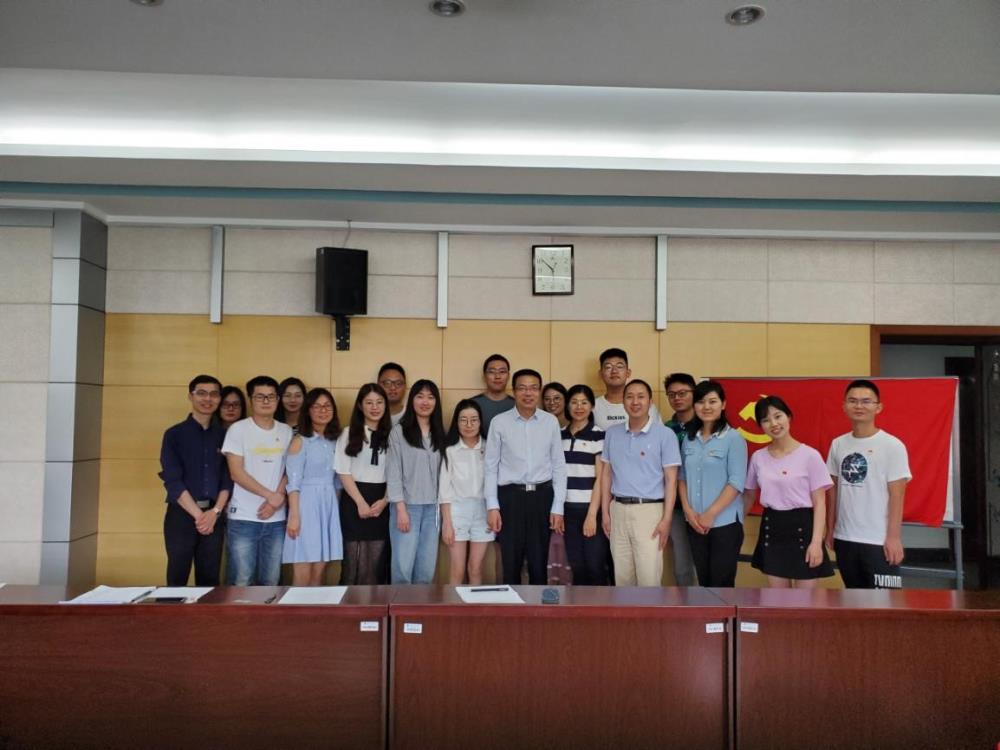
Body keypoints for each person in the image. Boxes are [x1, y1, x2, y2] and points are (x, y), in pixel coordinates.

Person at [826, 379, 911, 589]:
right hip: (845, 538)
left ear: (878, 407)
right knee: (854, 599)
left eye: (866, 401)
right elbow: (832, 491)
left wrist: (893, 538)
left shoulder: (893, 445)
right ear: (844, 406)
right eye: (853, 401)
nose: (859, 406)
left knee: (886, 601)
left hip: (878, 541)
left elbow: (898, 495)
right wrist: (830, 529)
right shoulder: (838, 444)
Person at [484, 368, 567, 585]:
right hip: (510, 498)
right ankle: (510, 606)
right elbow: (490, 467)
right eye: (522, 388)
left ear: (539, 391)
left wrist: (558, 506)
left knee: (539, 564)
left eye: (533, 388)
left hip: (542, 497)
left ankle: (538, 606)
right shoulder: (499, 422)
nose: (528, 393)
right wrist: (492, 506)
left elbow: (559, 466)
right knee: (510, 562)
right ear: (514, 391)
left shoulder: (550, 422)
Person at [745, 395, 834, 588]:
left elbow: (820, 503)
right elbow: (749, 495)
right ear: (760, 426)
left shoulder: (810, 455)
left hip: (804, 528)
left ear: (789, 417)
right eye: (766, 420)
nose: (774, 424)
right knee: (778, 599)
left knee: (805, 601)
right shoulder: (758, 457)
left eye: (778, 416)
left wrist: (816, 542)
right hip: (772, 528)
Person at [599, 379, 680, 586]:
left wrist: (667, 519)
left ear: (650, 402)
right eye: (630, 397)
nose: (635, 402)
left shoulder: (665, 435)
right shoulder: (612, 433)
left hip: (650, 512)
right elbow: (606, 474)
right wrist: (606, 512)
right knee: (622, 577)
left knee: (648, 577)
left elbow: (671, 480)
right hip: (618, 509)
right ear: (623, 401)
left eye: (641, 397)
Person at [158, 375, 232, 586]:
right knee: (177, 577)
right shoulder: (174, 434)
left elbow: (228, 479)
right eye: (201, 393)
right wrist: (200, 516)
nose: (208, 399)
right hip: (181, 515)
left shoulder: (225, 435)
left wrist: (214, 512)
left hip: (214, 515)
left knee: (209, 580)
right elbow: (173, 480)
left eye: (214, 394)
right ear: (190, 396)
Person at [222, 375, 293, 586]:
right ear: (251, 399)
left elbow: (290, 470)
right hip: (243, 518)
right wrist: (270, 496)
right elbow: (236, 472)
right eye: (260, 396)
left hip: (276, 519)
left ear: (277, 400)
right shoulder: (238, 429)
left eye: (271, 396)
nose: (266, 401)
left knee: (271, 581)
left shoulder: (286, 431)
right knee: (241, 580)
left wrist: (276, 499)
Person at [678, 380, 748, 588]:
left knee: (721, 584)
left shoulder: (734, 438)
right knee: (704, 582)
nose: (706, 407)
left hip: (724, 524)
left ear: (723, 404)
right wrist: (688, 511)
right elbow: (682, 477)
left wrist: (710, 514)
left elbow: (736, 483)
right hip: (694, 523)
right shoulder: (689, 439)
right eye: (700, 402)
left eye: (712, 401)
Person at [387, 379, 446, 584]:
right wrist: (400, 509)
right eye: (420, 396)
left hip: (433, 509)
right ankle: (401, 605)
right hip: (407, 507)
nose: (425, 402)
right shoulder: (399, 432)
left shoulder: (440, 433)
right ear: (412, 400)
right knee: (402, 568)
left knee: (426, 569)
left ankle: (420, 605)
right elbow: (393, 473)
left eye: (430, 397)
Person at [283, 388, 344, 586]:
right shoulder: (300, 441)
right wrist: (294, 516)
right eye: (316, 406)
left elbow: (338, 481)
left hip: (329, 504)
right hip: (305, 506)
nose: (322, 410)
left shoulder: (336, 442)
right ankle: (298, 607)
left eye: (327, 406)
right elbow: (293, 482)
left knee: (319, 572)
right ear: (308, 411)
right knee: (303, 569)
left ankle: (315, 607)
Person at [335, 383, 392, 585]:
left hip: (382, 499)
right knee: (353, 565)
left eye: (379, 402)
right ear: (360, 405)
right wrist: (360, 502)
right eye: (369, 402)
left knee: (375, 566)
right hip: (353, 499)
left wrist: (385, 500)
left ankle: (373, 605)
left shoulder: (393, 434)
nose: (374, 407)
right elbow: (343, 471)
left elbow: (397, 473)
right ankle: (349, 605)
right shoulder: (348, 433)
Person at [439, 399, 494, 584]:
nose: (469, 425)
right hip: (457, 512)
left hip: (484, 512)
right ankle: (452, 604)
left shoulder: (490, 447)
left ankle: (473, 604)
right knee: (457, 569)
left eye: (473, 420)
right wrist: (447, 523)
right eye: (463, 420)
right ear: (456, 422)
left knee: (476, 568)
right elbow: (444, 490)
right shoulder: (450, 450)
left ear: (480, 422)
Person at [561, 384, 610, 585]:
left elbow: (601, 477)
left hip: (591, 510)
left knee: (595, 566)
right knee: (577, 566)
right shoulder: (559, 435)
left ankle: (600, 605)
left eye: (584, 402)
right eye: (574, 402)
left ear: (592, 406)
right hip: (567, 510)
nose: (579, 407)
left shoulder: (599, 435)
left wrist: (591, 515)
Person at [662, 372, 699, 586]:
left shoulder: (707, 425)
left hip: (705, 504)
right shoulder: (665, 429)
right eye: (672, 394)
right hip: (675, 505)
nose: (677, 398)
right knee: (682, 564)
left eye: (683, 393)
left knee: (708, 562)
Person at [593, 348, 660, 430]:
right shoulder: (593, 406)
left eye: (619, 366)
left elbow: (659, 433)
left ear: (628, 373)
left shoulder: (645, 404)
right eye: (608, 367)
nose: (614, 371)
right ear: (600, 374)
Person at [472, 353, 515, 437]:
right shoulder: (471, 404)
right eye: (492, 372)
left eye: (502, 372)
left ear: (509, 376)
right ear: (484, 376)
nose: (497, 376)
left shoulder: (518, 405)